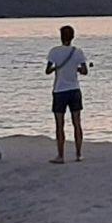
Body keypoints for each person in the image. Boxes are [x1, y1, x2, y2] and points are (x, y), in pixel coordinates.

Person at [45, 24, 90, 163]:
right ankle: (78, 154)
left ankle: (61, 156)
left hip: (59, 90)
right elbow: (85, 71)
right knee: (77, 123)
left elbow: (47, 71)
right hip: (74, 89)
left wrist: (56, 68)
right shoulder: (78, 52)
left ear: (61, 37)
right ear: (72, 37)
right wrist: (76, 69)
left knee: (60, 125)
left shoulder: (54, 51)